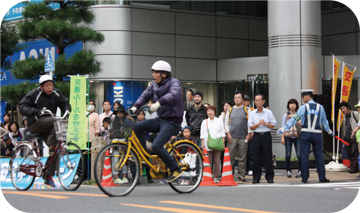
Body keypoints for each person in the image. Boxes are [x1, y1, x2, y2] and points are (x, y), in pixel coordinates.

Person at [131, 60, 184, 183]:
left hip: (172, 122)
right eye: (153, 73)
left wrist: (159, 103)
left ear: (164, 74)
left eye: (156, 73)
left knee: (156, 145)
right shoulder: (154, 85)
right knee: (138, 126)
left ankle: (176, 169)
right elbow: (145, 95)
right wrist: (136, 106)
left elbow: (174, 94)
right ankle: (143, 155)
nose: (153, 75)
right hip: (161, 119)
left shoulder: (174, 82)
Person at [18, 74, 71, 187]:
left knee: (57, 148)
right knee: (54, 121)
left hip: (48, 126)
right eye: (47, 85)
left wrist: (67, 111)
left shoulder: (56, 94)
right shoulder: (34, 94)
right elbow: (22, 106)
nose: (49, 87)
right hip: (35, 123)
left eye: (51, 85)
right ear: (41, 87)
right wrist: (34, 111)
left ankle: (47, 176)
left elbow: (65, 103)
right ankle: (52, 147)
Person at [277, 89, 333, 183]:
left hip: (306, 133)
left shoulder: (303, 108)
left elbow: (294, 119)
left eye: (303, 97)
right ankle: (322, 177)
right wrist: (329, 131)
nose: (302, 99)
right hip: (317, 134)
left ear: (308, 96)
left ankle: (305, 178)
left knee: (304, 155)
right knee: (319, 155)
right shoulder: (320, 107)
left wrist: (285, 128)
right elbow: (324, 121)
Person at [248, 94, 276, 184]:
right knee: (256, 157)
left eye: (259, 100)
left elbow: (273, 125)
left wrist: (265, 123)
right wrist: (258, 124)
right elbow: (251, 127)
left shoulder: (268, 112)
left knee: (268, 156)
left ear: (263, 101)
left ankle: (269, 176)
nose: (257, 102)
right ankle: (256, 177)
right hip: (256, 136)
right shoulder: (252, 113)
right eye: (256, 100)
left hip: (266, 135)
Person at [225, 92, 252, 182]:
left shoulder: (247, 109)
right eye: (235, 97)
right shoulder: (230, 110)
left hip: (243, 137)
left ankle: (241, 175)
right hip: (232, 137)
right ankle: (229, 174)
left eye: (239, 97)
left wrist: (249, 133)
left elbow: (250, 123)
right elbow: (226, 124)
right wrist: (228, 134)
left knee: (242, 157)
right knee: (230, 157)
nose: (237, 99)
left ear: (242, 99)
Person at [200, 105, 225, 183]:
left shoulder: (219, 121)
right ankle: (208, 176)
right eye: (208, 111)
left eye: (211, 111)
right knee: (208, 161)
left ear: (215, 112)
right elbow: (202, 134)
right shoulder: (204, 122)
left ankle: (216, 176)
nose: (210, 112)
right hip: (207, 144)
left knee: (217, 161)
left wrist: (223, 143)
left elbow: (222, 133)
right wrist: (202, 143)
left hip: (218, 143)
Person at [281, 99, 302, 178]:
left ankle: (300, 170)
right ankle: (288, 170)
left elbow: (302, 124)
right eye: (290, 104)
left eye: (294, 104)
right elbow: (283, 126)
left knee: (299, 154)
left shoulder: (299, 114)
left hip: (298, 137)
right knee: (288, 154)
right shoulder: (285, 115)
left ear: (296, 105)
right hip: (288, 137)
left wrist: (294, 117)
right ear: (288, 105)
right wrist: (282, 138)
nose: (292, 105)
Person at [339, 102, 359, 173]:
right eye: (341, 109)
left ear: (348, 107)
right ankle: (354, 167)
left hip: (355, 136)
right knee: (349, 152)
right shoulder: (345, 116)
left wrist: (355, 131)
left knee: (354, 152)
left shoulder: (354, 113)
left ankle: (353, 168)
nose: (343, 110)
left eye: (344, 108)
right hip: (347, 137)